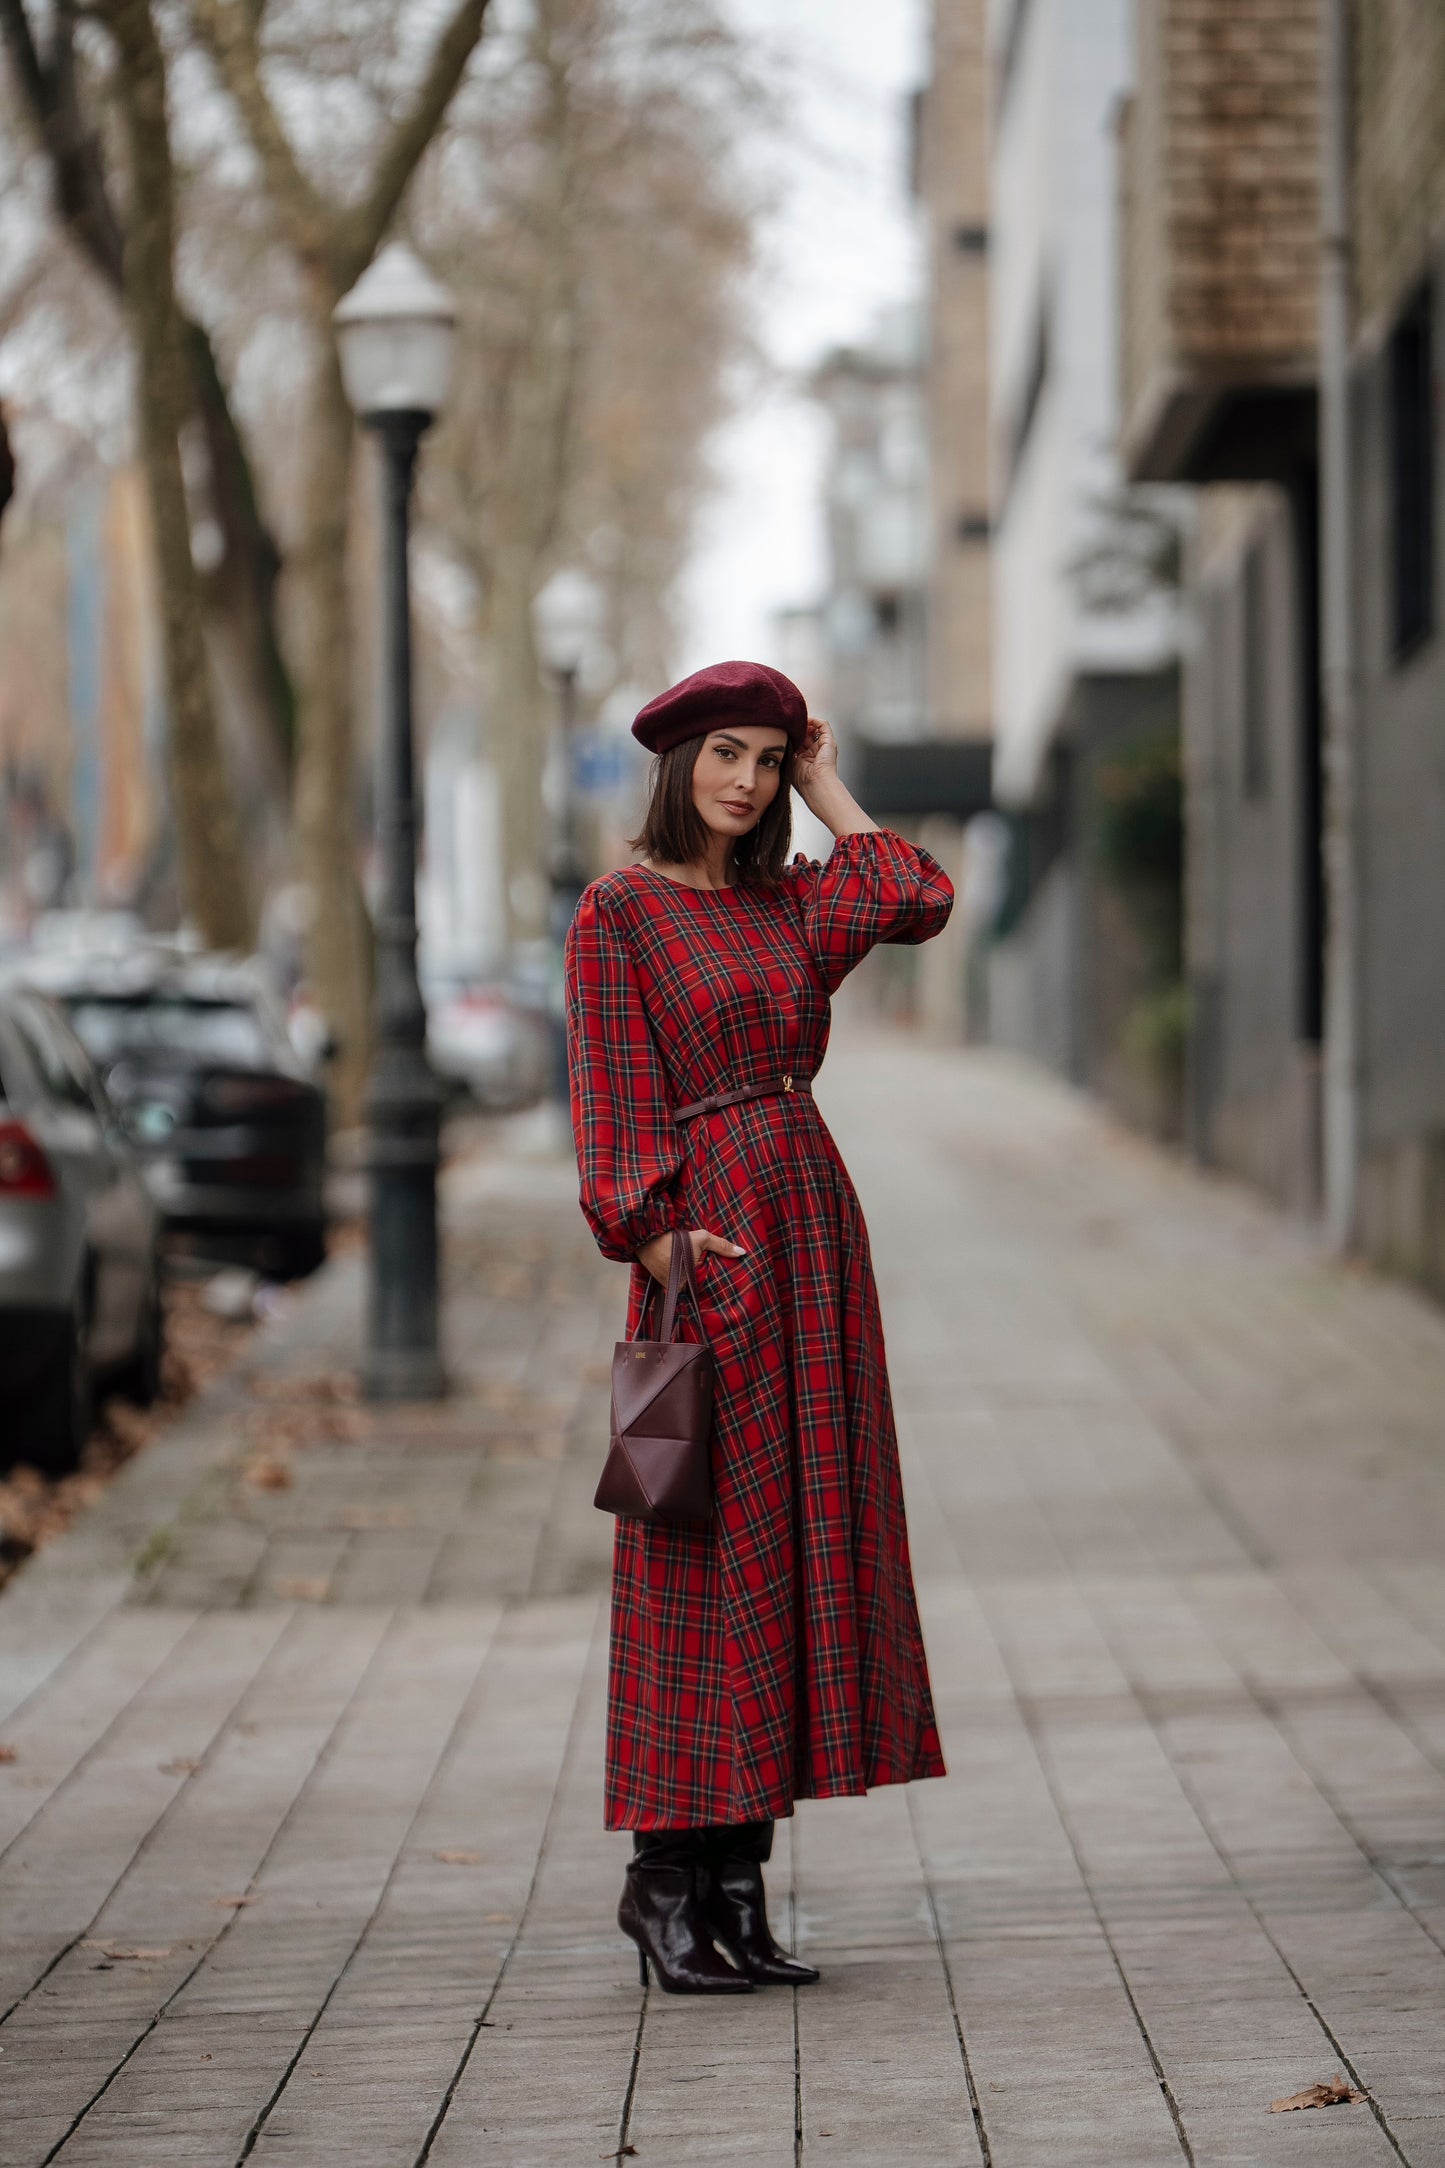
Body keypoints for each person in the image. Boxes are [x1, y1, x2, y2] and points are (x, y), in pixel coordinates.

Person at [564, 659, 953, 1995]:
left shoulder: (789, 903)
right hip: (712, 1254)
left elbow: (917, 894)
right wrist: (655, 1237)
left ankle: (741, 1888)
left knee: (797, 1550)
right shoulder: (621, 911)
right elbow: (610, 1094)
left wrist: (830, 778)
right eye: (726, 752)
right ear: (680, 764)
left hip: (812, 1244)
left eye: (769, 759)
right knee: (704, 1561)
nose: (747, 780)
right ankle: (665, 1885)